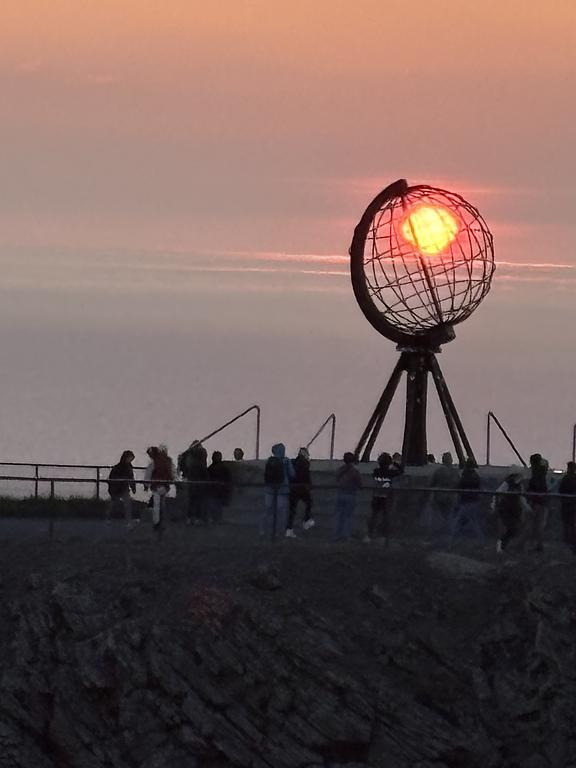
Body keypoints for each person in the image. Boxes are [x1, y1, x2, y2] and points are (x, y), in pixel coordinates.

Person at [365, 452, 403, 543]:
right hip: (386, 497)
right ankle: (384, 536)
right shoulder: (390, 473)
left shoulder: (376, 471)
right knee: (386, 517)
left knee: (374, 516)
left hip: (376, 495)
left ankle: (369, 535)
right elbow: (401, 471)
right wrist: (394, 463)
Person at [492, 471, 530, 553]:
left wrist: (527, 507)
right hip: (505, 508)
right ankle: (500, 545)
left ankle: (503, 545)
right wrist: (494, 505)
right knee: (507, 528)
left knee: (514, 529)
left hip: (515, 509)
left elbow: (521, 497)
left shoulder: (519, 486)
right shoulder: (507, 483)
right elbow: (497, 493)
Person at [262, 443, 294, 538]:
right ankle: (279, 531)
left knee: (268, 510)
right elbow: (292, 474)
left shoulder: (269, 461)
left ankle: (264, 530)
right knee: (281, 512)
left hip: (269, 489)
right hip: (282, 489)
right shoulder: (286, 461)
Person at [425, 451, 460, 535]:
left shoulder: (438, 471)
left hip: (440, 496)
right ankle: (448, 533)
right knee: (449, 515)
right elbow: (458, 484)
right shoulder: (455, 472)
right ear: (451, 460)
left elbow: (431, 483)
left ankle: (439, 532)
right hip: (451, 497)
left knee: (439, 516)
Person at [450, 457, 483, 540]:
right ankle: (480, 539)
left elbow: (460, 485)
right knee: (473, 521)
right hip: (473, 501)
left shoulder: (467, 475)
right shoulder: (475, 475)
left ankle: (452, 538)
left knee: (459, 521)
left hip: (466, 501)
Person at [144, 446, 174, 534]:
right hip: (165, 485)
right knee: (162, 504)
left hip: (156, 486)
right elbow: (171, 473)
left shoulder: (154, 463)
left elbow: (148, 474)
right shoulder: (166, 461)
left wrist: (146, 485)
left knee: (156, 505)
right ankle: (161, 523)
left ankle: (157, 523)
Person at [286, 447, 314, 538]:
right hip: (302, 488)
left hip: (293, 488)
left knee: (292, 510)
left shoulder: (293, 462)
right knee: (309, 503)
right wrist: (309, 485)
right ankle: (306, 520)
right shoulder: (305, 463)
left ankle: (289, 529)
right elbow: (306, 476)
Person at [178, 440, 209, 525]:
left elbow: (183, 466)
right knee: (198, 501)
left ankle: (190, 518)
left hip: (191, 482)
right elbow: (205, 472)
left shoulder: (189, 459)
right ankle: (197, 518)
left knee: (192, 501)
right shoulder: (200, 462)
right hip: (199, 483)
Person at [334, 452, 362, 541]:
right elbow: (359, 483)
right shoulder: (355, 471)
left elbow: (336, 479)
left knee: (339, 515)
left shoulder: (340, 470)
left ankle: (337, 534)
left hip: (340, 493)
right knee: (348, 516)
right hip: (350, 494)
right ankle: (346, 535)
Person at [525, 453, 549, 552]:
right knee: (538, 524)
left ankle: (534, 544)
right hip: (540, 502)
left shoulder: (537, 475)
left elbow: (536, 489)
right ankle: (538, 544)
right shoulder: (541, 473)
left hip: (537, 502)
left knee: (534, 524)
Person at [107, 450, 137, 527]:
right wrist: (133, 487)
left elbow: (130, 478)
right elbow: (131, 478)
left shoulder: (118, 467)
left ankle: (111, 518)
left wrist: (133, 487)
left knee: (122, 504)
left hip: (120, 488)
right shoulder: (125, 467)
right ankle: (127, 520)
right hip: (119, 488)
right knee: (123, 504)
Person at [207, 450, 231, 523]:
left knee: (216, 505)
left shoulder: (212, 467)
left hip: (216, 490)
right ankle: (217, 518)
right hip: (217, 489)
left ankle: (215, 518)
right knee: (216, 505)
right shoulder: (221, 467)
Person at [558, 461, 576, 553]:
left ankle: (569, 539)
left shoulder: (566, 478)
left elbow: (561, 490)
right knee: (570, 522)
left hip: (567, 503)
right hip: (570, 503)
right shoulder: (570, 478)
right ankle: (571, 539)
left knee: (568, 522)